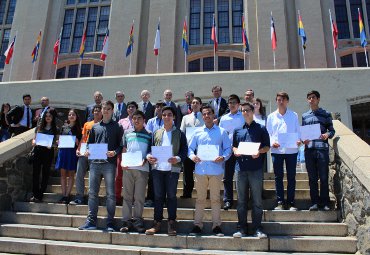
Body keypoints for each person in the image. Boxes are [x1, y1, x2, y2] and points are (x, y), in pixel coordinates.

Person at [79, 100, 123, 231]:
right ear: (101, 110)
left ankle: (110, 222)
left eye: (109, 108)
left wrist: (115, 152)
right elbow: (89, 144)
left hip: (109, 164)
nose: (106, 111)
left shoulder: (117, 127)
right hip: (94, 163)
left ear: (112, 110)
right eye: (104, 108)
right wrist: (87, 151)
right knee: (92, 193)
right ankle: (91, 221)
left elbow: (121, 145)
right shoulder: (94, 127)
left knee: (110, 194)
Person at [188, 105, 231, 237]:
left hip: (216, 170)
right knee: (200, 199)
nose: (206, 116)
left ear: (213, 115)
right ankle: (197, 225)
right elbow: (190, 149)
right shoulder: (197, 132)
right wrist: (192, 156)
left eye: (209, 114)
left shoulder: (222, 131)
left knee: (215, 199)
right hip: (200, 169)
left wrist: (223, 157)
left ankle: (216, 226)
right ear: (202, 116)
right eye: (204, 114)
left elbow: (228, 149)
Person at [145, 106, 188, 236]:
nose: (166, 117)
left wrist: (178, 158)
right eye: (164, 115)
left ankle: (171, 222)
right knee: (158, 197)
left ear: (174, 117)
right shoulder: (156, 132)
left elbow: (184, 151)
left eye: (169, 115)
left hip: (172, 170)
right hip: (157, 169)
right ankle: (157, 222)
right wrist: (148, 156)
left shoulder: (180, 133)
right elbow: (149, 149)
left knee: (171, 196)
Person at [232, 102, 270, 239]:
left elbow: (267, 146)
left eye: (247, 110)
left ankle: (257, 228)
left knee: (257, 201)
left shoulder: (261, 128)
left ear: (253, 111)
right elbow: (234, 147)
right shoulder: (237, 130)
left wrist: (259, 152)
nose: (245, 113)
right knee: (241, 201)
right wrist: (235, 151)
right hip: (241, 169)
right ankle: (241, 228)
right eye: (242, 111)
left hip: (255, 169)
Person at [266, 92, 300, 211]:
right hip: (277, 150)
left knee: (291, 177)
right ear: (276, 101)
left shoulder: (293, 115)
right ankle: (280, 202)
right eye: (279, 99)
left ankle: (291, 202)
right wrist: (271, 143)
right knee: (278, 177)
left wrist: (298, 140)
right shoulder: (271, 116)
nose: (281, 101)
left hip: (291, 150)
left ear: (287, 101)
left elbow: (297, 130)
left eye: (283, 99)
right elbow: (268, 133)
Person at [302, 90, 335, 211]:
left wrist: (327, 134)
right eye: (309, 98)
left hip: (322, 149)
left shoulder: (326, 114)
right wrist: (303, 139)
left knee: (324, 177)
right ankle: (314, 202)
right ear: (307, 100)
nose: (311, 99)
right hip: (309, 150)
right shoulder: (305, 116)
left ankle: (325, 203)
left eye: (313, 97)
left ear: (318, 99)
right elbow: (303, 132)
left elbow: (332, 131)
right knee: (312, 178)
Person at [120, 110, 151, 233]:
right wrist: (122, 162)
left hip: (142, 169)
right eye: (134, 118)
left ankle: (138, 220)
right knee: (127, 196)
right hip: (128, 168)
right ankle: (126, 221)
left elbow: (150, 151)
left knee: (139, 197)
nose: (136, 120)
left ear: (144, 121)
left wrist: (146, 159)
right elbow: (124, 148)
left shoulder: (149, 134)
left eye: (139, 118)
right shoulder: (127, 133)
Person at [70, 104, 103, 205]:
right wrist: (78, 148)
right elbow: (83, 138)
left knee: (95, 176)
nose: (96, 112)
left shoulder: (104, 124)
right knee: (79, 173)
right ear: (92, 113)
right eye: (95, 111)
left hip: (97, 151)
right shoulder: (87, 124)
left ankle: (92, 197)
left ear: (102, 113)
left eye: (98, 110)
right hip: (84, 150)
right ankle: (80, 196)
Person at [219, 94, 245, 210]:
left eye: (234, 102)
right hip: (228, 150)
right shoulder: (224, 118)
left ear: (238, 104)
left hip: (241, 150)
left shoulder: (243, 116)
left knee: (242, 177)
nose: (232, 105)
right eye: (230, 103)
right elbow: (220, 134)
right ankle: (228, 200)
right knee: (227, 177)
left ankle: (242, 200)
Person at [30, 109, 59, 202]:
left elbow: (57, 143)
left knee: (46, 173)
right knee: (36, 173)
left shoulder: (56, 129)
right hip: (38, 151)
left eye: (50, 116)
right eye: (46, 116)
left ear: (52, 118)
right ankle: (35, 194)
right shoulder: (39, 127)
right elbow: (34, 139)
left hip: (48, 152)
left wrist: (53, 145)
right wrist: (34, 142)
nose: (48, 118)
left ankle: (40, 194)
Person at [55, 109, 82, 204]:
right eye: (70, 114)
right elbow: (60, 139)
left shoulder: (79, 129)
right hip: (63, 152)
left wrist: (77, 142)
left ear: (76, 116)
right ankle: (63, 195)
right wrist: (58, 142)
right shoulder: (63, 127)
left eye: (73, 114)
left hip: (72, 152)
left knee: (71, 174)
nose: (71, 116)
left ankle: (67, 195)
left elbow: (80, 142)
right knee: (62, 174)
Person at [179, 97, 204, 198]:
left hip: (202, 149)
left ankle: (202, 193)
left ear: (200, 105)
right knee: (187, 172)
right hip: (189, 149)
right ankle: (187, 192)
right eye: (193, 103)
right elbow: (182, 132)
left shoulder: (205, 116)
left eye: (197, 103)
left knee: (202, 172)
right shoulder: (186, 118)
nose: (195, 104)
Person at [144, 101, 166, 207]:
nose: (159, 108)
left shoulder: (169, 120)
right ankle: (150, 198)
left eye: (162, 107)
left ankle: (164, 199)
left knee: (165, 175)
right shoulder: (151, 121)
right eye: (157, 106)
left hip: (165, 151)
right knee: (152, 177)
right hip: (153, 151)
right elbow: (149, 136)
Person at [116, 101, 138, 205]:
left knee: (132, 177)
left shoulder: (141, 121)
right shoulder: (121, 121)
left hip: (134, 153)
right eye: (129, 107)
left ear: (136, 109)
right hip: (122, 151)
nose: (130, 109)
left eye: (133, 107)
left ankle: (132, 198)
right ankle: (117, 196)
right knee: (119, 175)